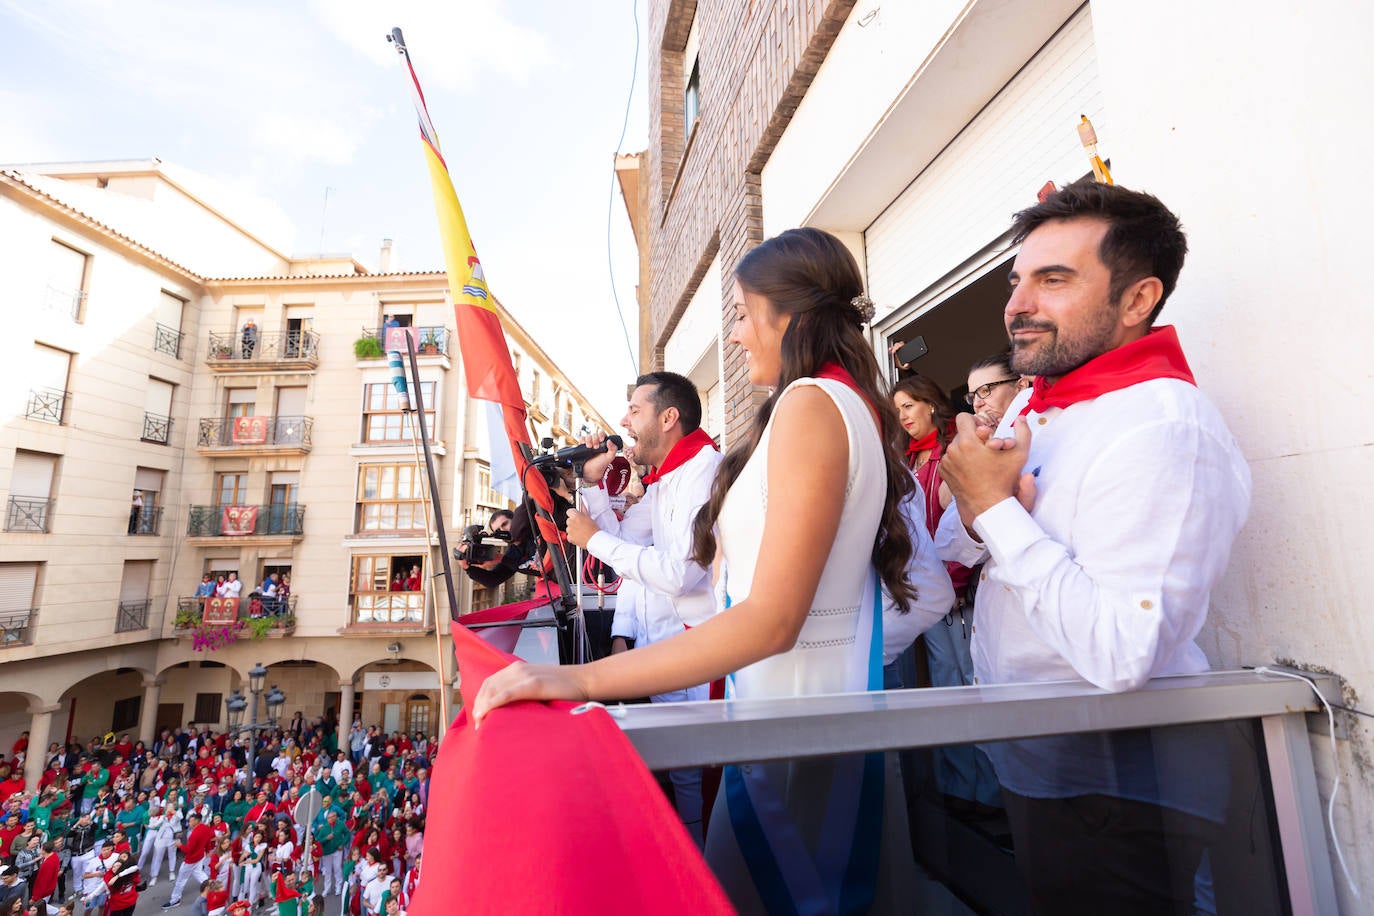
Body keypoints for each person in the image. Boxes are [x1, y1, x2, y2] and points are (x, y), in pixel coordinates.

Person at [475, 227, 921, 912]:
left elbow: (770, 618)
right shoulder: (838, 402)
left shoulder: (812, 406)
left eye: (743, 313)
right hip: (797, 709)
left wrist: (579, 678)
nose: (737, 335)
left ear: (788, 312)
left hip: (789, 724)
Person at [935, 179, 1251, 913]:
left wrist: (992, 508)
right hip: (1042, 760)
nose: (1018, 303)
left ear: (1138, 299)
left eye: (1054, 280)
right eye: (1017, 280)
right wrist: (983, 507)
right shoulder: (1039, 404)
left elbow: (1123, 652)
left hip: (1116, 783)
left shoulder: (1164, 425)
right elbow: (972, 547)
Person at [565, 371, 722, 847]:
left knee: (698, 782)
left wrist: (593, 538)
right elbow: (628, 540)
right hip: (668, 655)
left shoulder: (704, 471)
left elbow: (680, 573)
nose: (623, 421)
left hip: (699, 658)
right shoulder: (667, 477)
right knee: (678, 778)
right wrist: (592, 482)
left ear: (669, 417)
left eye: (635, 410)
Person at [165, 811, 214, 908]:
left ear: (196, 821)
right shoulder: (206, 828)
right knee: (200, 874)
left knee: (180, 880)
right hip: (200, 856)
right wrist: (207, 850)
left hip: (191, 860)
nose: (189, 823)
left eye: (191, 821)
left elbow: (189, 849)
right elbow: (208, 841)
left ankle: (175, 899)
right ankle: (213, 889)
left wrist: (180, 846)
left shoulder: (194, 834)